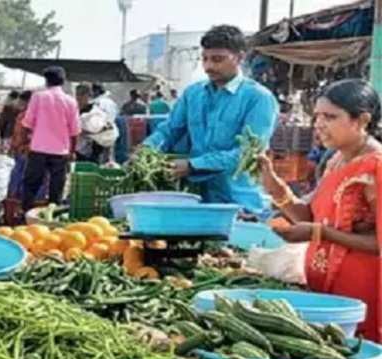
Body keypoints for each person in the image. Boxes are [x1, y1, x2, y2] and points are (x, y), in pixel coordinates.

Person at [262, 79, 381, 342]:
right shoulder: (336, 160)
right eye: (317, 116)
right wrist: (277, 189)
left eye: (330, 117)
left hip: (366, 290)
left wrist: (320, 233)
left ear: (361, 120)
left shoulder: (376, 167)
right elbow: (310, 217)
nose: (319, 124)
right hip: (327, 286)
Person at [142, 25, 279, 214]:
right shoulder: (193, 94)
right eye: (204, 59)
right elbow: (170, 130)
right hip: (195, 199)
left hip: (239, 203)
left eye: (217, 60)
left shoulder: (258, 98)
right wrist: (147, 149)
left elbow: (248, 153)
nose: (208, 67)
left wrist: (194, 165)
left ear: (240, 57)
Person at [21, 66, 81, 211]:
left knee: (31, 184)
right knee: (56, 187)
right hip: (60, 152)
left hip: (38, 149)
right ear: (63, 81)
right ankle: (53, 216)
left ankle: (26, 214)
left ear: (46, 80)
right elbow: (75, 131)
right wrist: (72, 151)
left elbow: (27, 123)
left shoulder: (38, 97)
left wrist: (25, 143)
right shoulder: (70, 101)